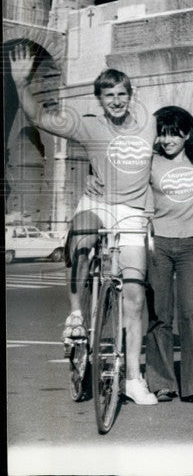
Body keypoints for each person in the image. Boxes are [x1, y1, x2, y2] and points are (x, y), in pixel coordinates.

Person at [9, 44, 159, 405]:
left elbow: (179, 145)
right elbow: (38, 118)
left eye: (122, 94)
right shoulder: (88, 125)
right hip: (98, 203)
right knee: (81, 236)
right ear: (100, 100)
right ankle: (76, 315)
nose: (117, 101)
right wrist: (20, 84)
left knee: (135, 297)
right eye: (109, 95)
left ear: (131, 96)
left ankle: (134, 380)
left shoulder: (150, 122)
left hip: (133, 212)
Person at [145, 106, 193, 406]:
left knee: (192, 313)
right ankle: (162, 383)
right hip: (159, 243)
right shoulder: (151, 161)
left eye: (174, 133)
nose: (167, 139)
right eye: (162, 133)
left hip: (192, 244)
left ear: (187, 133)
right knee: (160, 315)